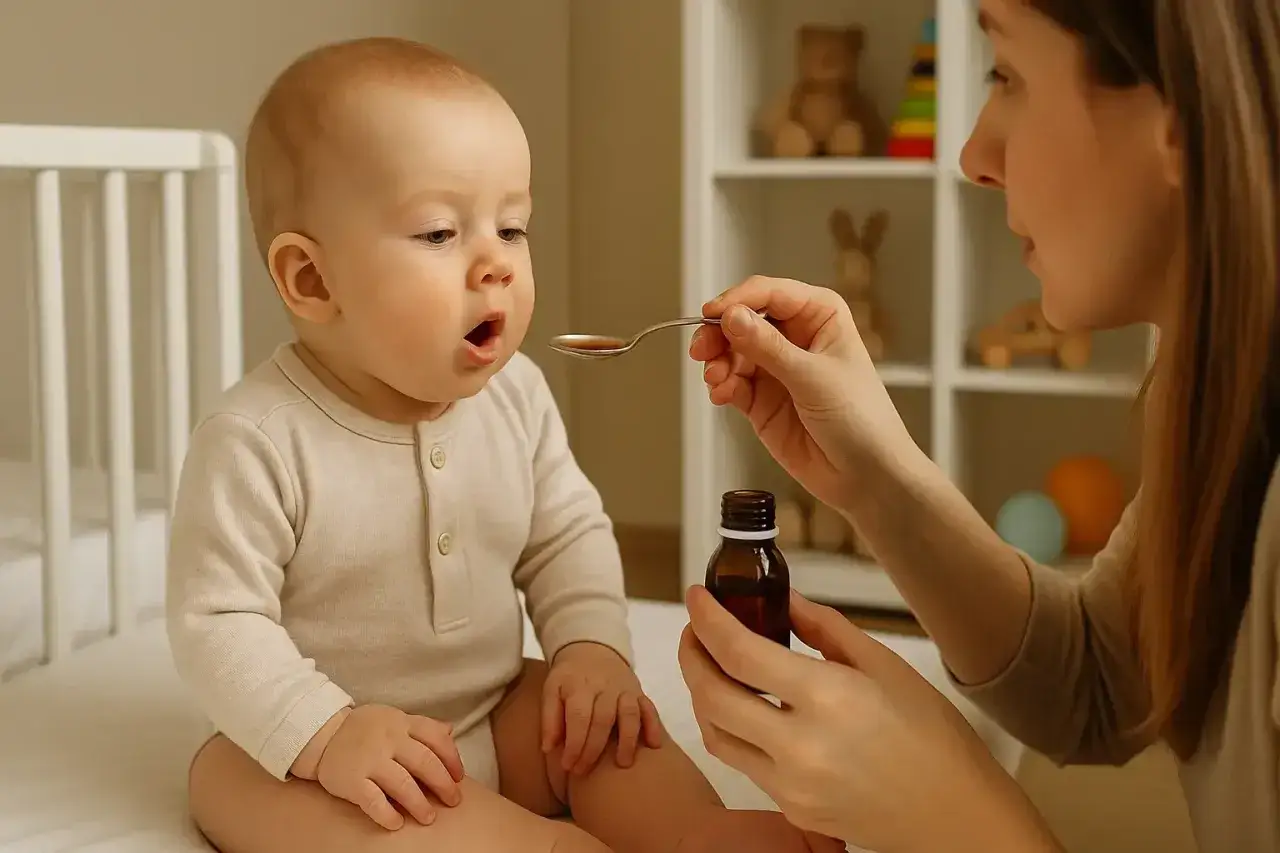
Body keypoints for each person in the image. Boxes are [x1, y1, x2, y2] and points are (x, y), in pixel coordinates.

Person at [166, 37, 840, 853]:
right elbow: (217, 622)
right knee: (232, 782)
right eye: (441, 233)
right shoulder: (257, 438)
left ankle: (694, 833)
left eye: (512, 227)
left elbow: (567, 534)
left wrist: (591, 650)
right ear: (314, 281)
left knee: (604, 726)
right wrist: (328, 734)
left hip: (494, 705)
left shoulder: (515, 393)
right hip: (340, 758)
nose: (496, 265)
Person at [678, 1, 1280, 852]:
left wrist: (945, 812)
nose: (973, 156)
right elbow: (1102, 684)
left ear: (1178, 115)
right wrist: (877, 479)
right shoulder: (1227, 388)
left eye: (1007, 75)